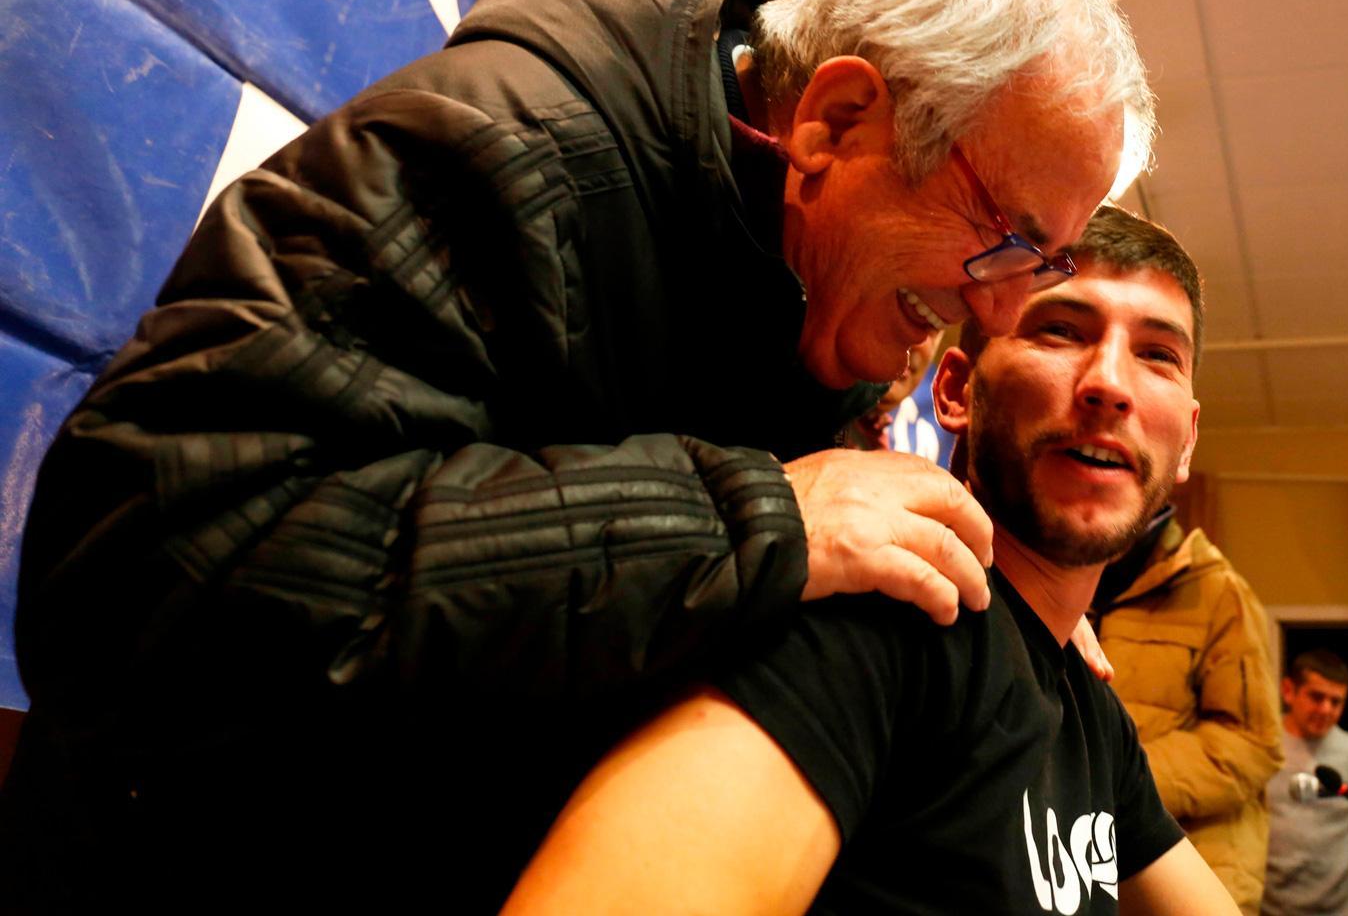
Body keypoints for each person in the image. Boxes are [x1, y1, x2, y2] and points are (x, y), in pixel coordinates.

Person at [0, 0, 1153, 910]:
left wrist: (1004, 607)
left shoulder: (826, 269)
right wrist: (758, 515)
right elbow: (147, 561)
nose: (999, 307)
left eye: (1042, 264)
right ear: (835, 124)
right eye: (1005, 240)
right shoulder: (513, 152)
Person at [501, 206, 1237, 914]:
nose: (1108, 383)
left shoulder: (1091, 711)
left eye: (1157, 355)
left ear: (1191, 442)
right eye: (1060, 331)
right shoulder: (883, 623)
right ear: (955, 391)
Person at [1091, 507, 1283, 913]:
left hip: (1199, 869)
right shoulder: (1071, 579)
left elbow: (1253, 744)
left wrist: (1114, 778)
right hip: (1093, 864)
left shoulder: (1219, 591)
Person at [1263, 648, 1348, 916]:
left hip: (1337, 910)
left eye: (1336, 701)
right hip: (1266, 908)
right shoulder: (1261, 747)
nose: (1325, 709)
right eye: (1316, 697)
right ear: (1288, 691)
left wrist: (1346, 885)